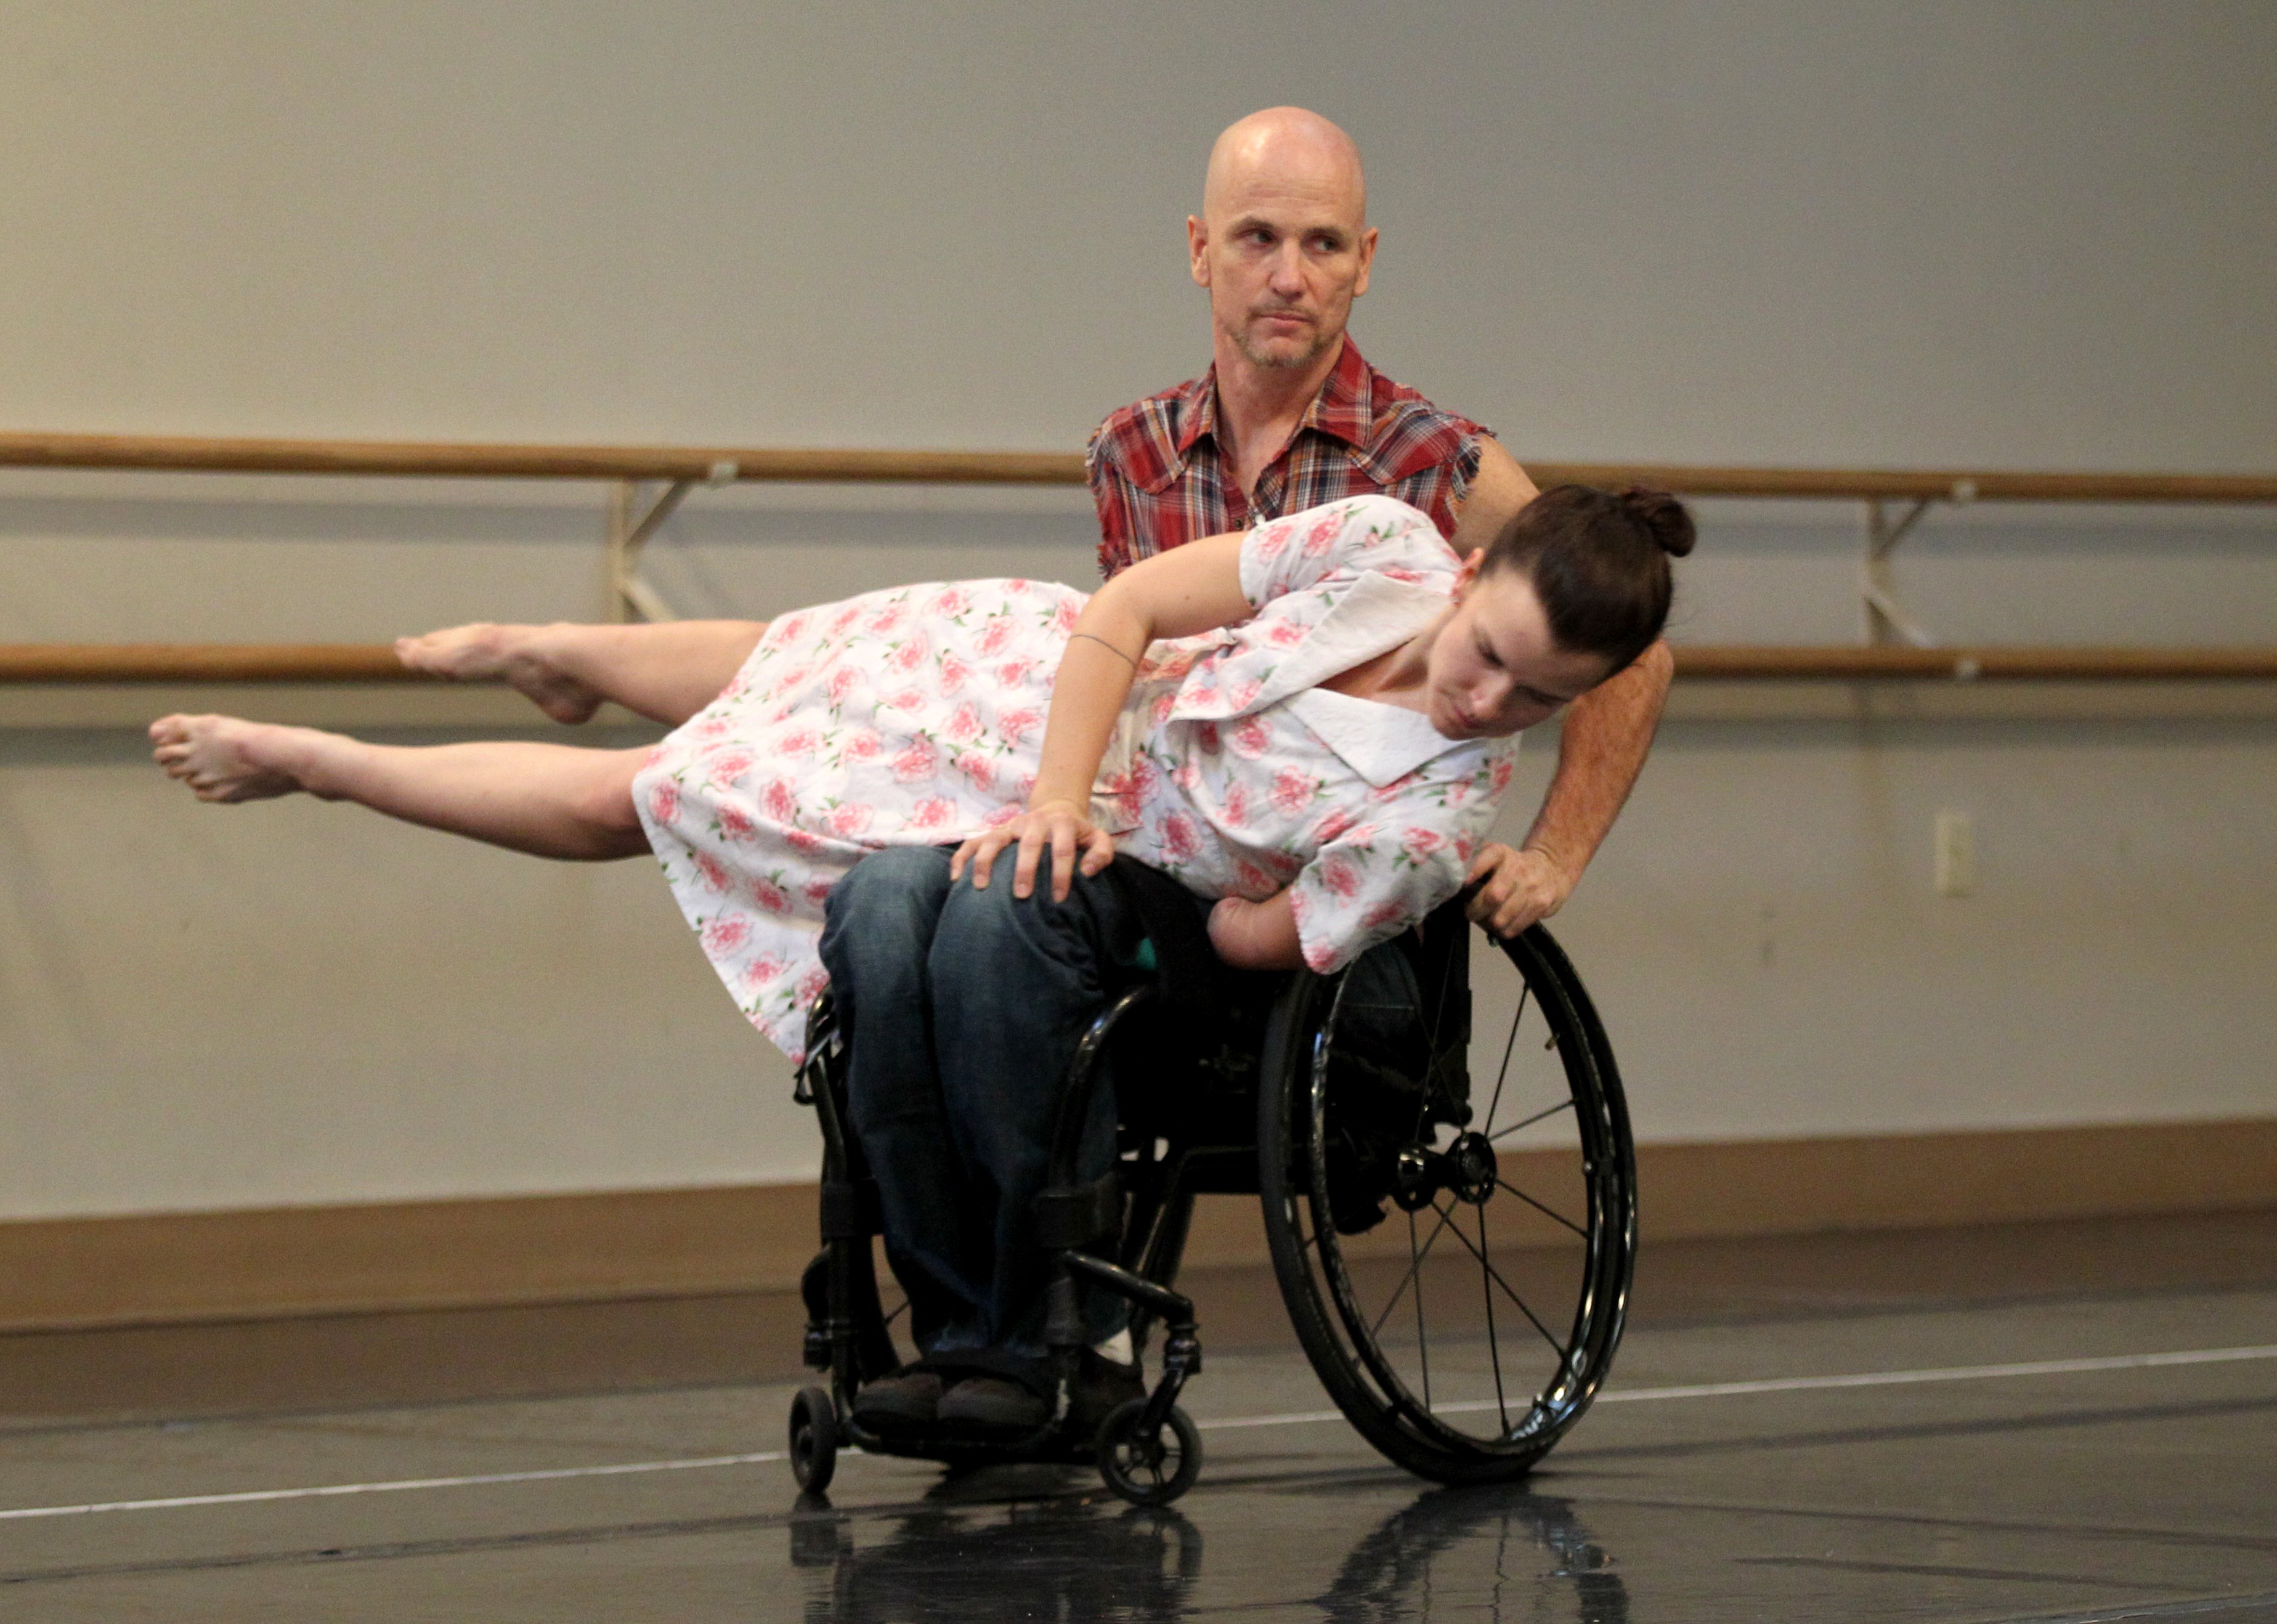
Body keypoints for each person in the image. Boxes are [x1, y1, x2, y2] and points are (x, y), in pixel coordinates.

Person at [150, 484, 1693, 1435]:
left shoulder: (1437, 811)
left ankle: (332, 758)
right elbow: (1137, 604)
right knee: (812, 671)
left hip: (1148, 859)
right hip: (1063, 701)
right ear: (1472, 564)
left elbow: (1248, 937)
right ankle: (566, 652)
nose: (1482, 700)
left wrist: (1142, 862)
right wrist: (1056, 795)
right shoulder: (1377, 547)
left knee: (677, 792)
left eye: (1529, 701)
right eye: (1485, 653)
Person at [1088, 106, 1675, 938]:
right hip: (1161, 855)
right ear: (1199, 250)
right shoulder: (1132, 451)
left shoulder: (1438, 460)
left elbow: (1630, 651)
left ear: (1362, 263)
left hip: (1337, 899)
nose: (1288, 277)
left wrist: (1553, 857)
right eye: (1257, 237)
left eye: (1322, 244)